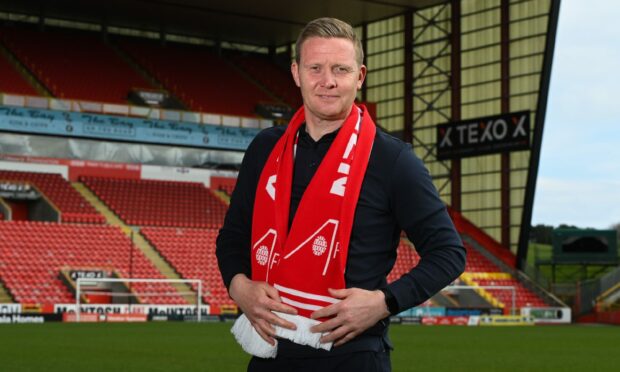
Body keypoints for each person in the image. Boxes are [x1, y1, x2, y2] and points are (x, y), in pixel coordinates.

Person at [216, 17, 466, 372]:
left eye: (341, 69)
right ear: (296, 73)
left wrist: (383, 302)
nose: (327, 81)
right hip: (270, 354)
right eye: (315, 67)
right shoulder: (265, 149)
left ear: (360, 76)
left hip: (353, 357)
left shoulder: (393, 159)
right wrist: (239, 287)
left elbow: (449, 253)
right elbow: (233, 237)